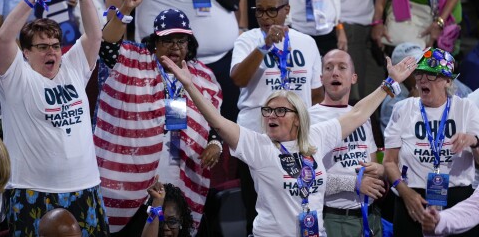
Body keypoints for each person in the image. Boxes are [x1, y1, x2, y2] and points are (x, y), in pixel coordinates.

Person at [160, 48, 416, 235]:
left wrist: (390, 82)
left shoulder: (316, 137)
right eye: (268, 111)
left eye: (280, 111)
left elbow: (358, 113)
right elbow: (217, 121)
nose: (272, 115)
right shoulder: (258, 146)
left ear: (297, 118)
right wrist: (190, 86)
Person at [94, 0, 222, 235]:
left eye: (181, 40)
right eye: (167, 40)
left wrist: (215, 144)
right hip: (133, 173)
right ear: (154, 42)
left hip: (182, 171)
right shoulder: (133, 60)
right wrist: (126, 10)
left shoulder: (203, 76)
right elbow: (107, 45)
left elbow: (214, 122)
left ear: (189, 43)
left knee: (175, 230)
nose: (175, 47)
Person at [0, 0, 109, 236]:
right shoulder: (16, 77)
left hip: (85, 187)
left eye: (56, 45)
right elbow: (3, 38)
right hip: (33, 191)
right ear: (25, 52)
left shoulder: (73, 69)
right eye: (42, 46)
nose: (52, 51)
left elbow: (95, 36)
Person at [230, 0, 323, 233]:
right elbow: (238, 79)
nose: (265, 17)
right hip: (256, 138)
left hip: (296, 141)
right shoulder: (247, 40)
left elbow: (315, 94)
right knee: (257, 207)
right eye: (259, 11)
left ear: (287, 10)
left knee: (299, 202)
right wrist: (264, 47)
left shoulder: (307, 43)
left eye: (271, 11)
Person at [105, 0, 247, 124]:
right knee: (175, 129)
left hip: (224, 61)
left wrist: (242, 28)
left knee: (224, 126)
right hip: (168, 68)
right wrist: (123, 52)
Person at [383, 47, 479, 236]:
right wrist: (405, 192)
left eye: (431, 75)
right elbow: (388, 161)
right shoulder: (402, 109)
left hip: (458, 199)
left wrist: (474, 142)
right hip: (412, 199)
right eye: (420, 74)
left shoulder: (465, 107)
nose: (423, 80)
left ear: (448, 80)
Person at [309, 49, 385, 236]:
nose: (335, 72)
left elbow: (374, 166)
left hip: (370, 215)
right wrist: (353, 184)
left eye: (342, 67)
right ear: (321, 78)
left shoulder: (363, 116)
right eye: (329, 68)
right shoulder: (309, 118)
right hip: (336, 218)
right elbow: (306, 179)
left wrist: (381, 171)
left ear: (353, 78)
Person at [371, 0, 468, 53]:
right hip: (407, 19)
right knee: (405, 69)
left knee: (440, 70)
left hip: (446, 19)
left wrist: (440, 22)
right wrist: (377, 20)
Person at [380, 42, 423, 133]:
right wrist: (413, 106)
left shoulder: (428, 88)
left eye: (422, 64)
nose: (421, 71)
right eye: (414, 67)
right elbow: (397, 141)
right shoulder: (391, 103)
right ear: (399, 71)